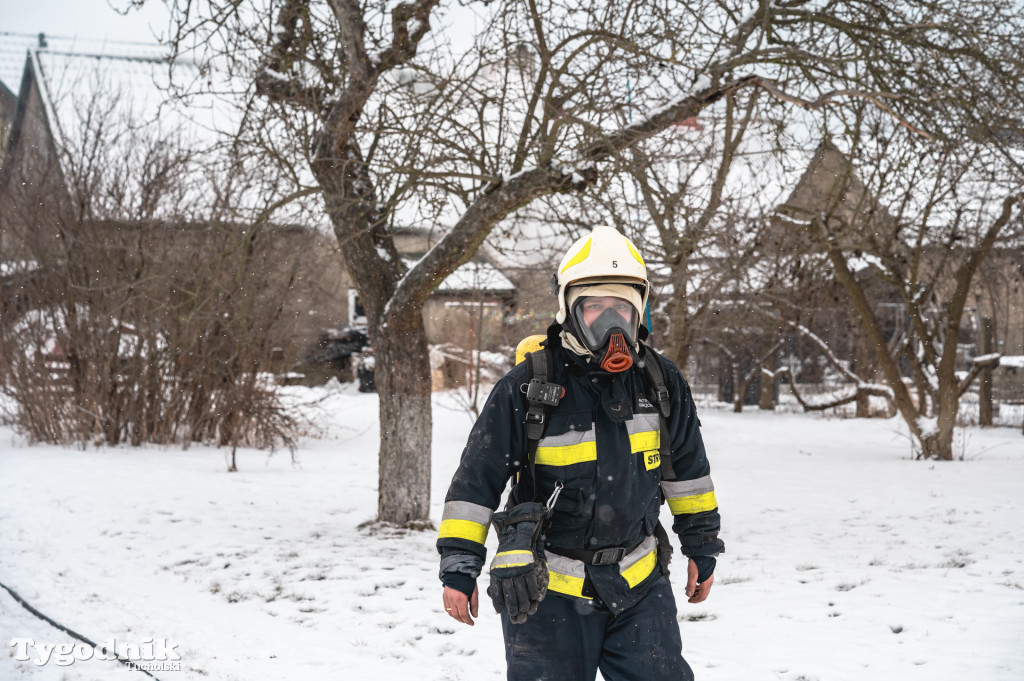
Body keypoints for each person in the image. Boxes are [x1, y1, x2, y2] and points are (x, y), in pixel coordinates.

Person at [436, 225, 724, 681]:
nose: (610, 323)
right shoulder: (528, 388)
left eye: (621, 309)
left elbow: (688, 474)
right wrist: (459, 565)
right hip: (547, 592)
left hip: (639, 586)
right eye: (594, 308)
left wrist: (702, 547)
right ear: (569, 311)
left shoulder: (660, 382)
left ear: (639, 313)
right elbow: (476, 482)